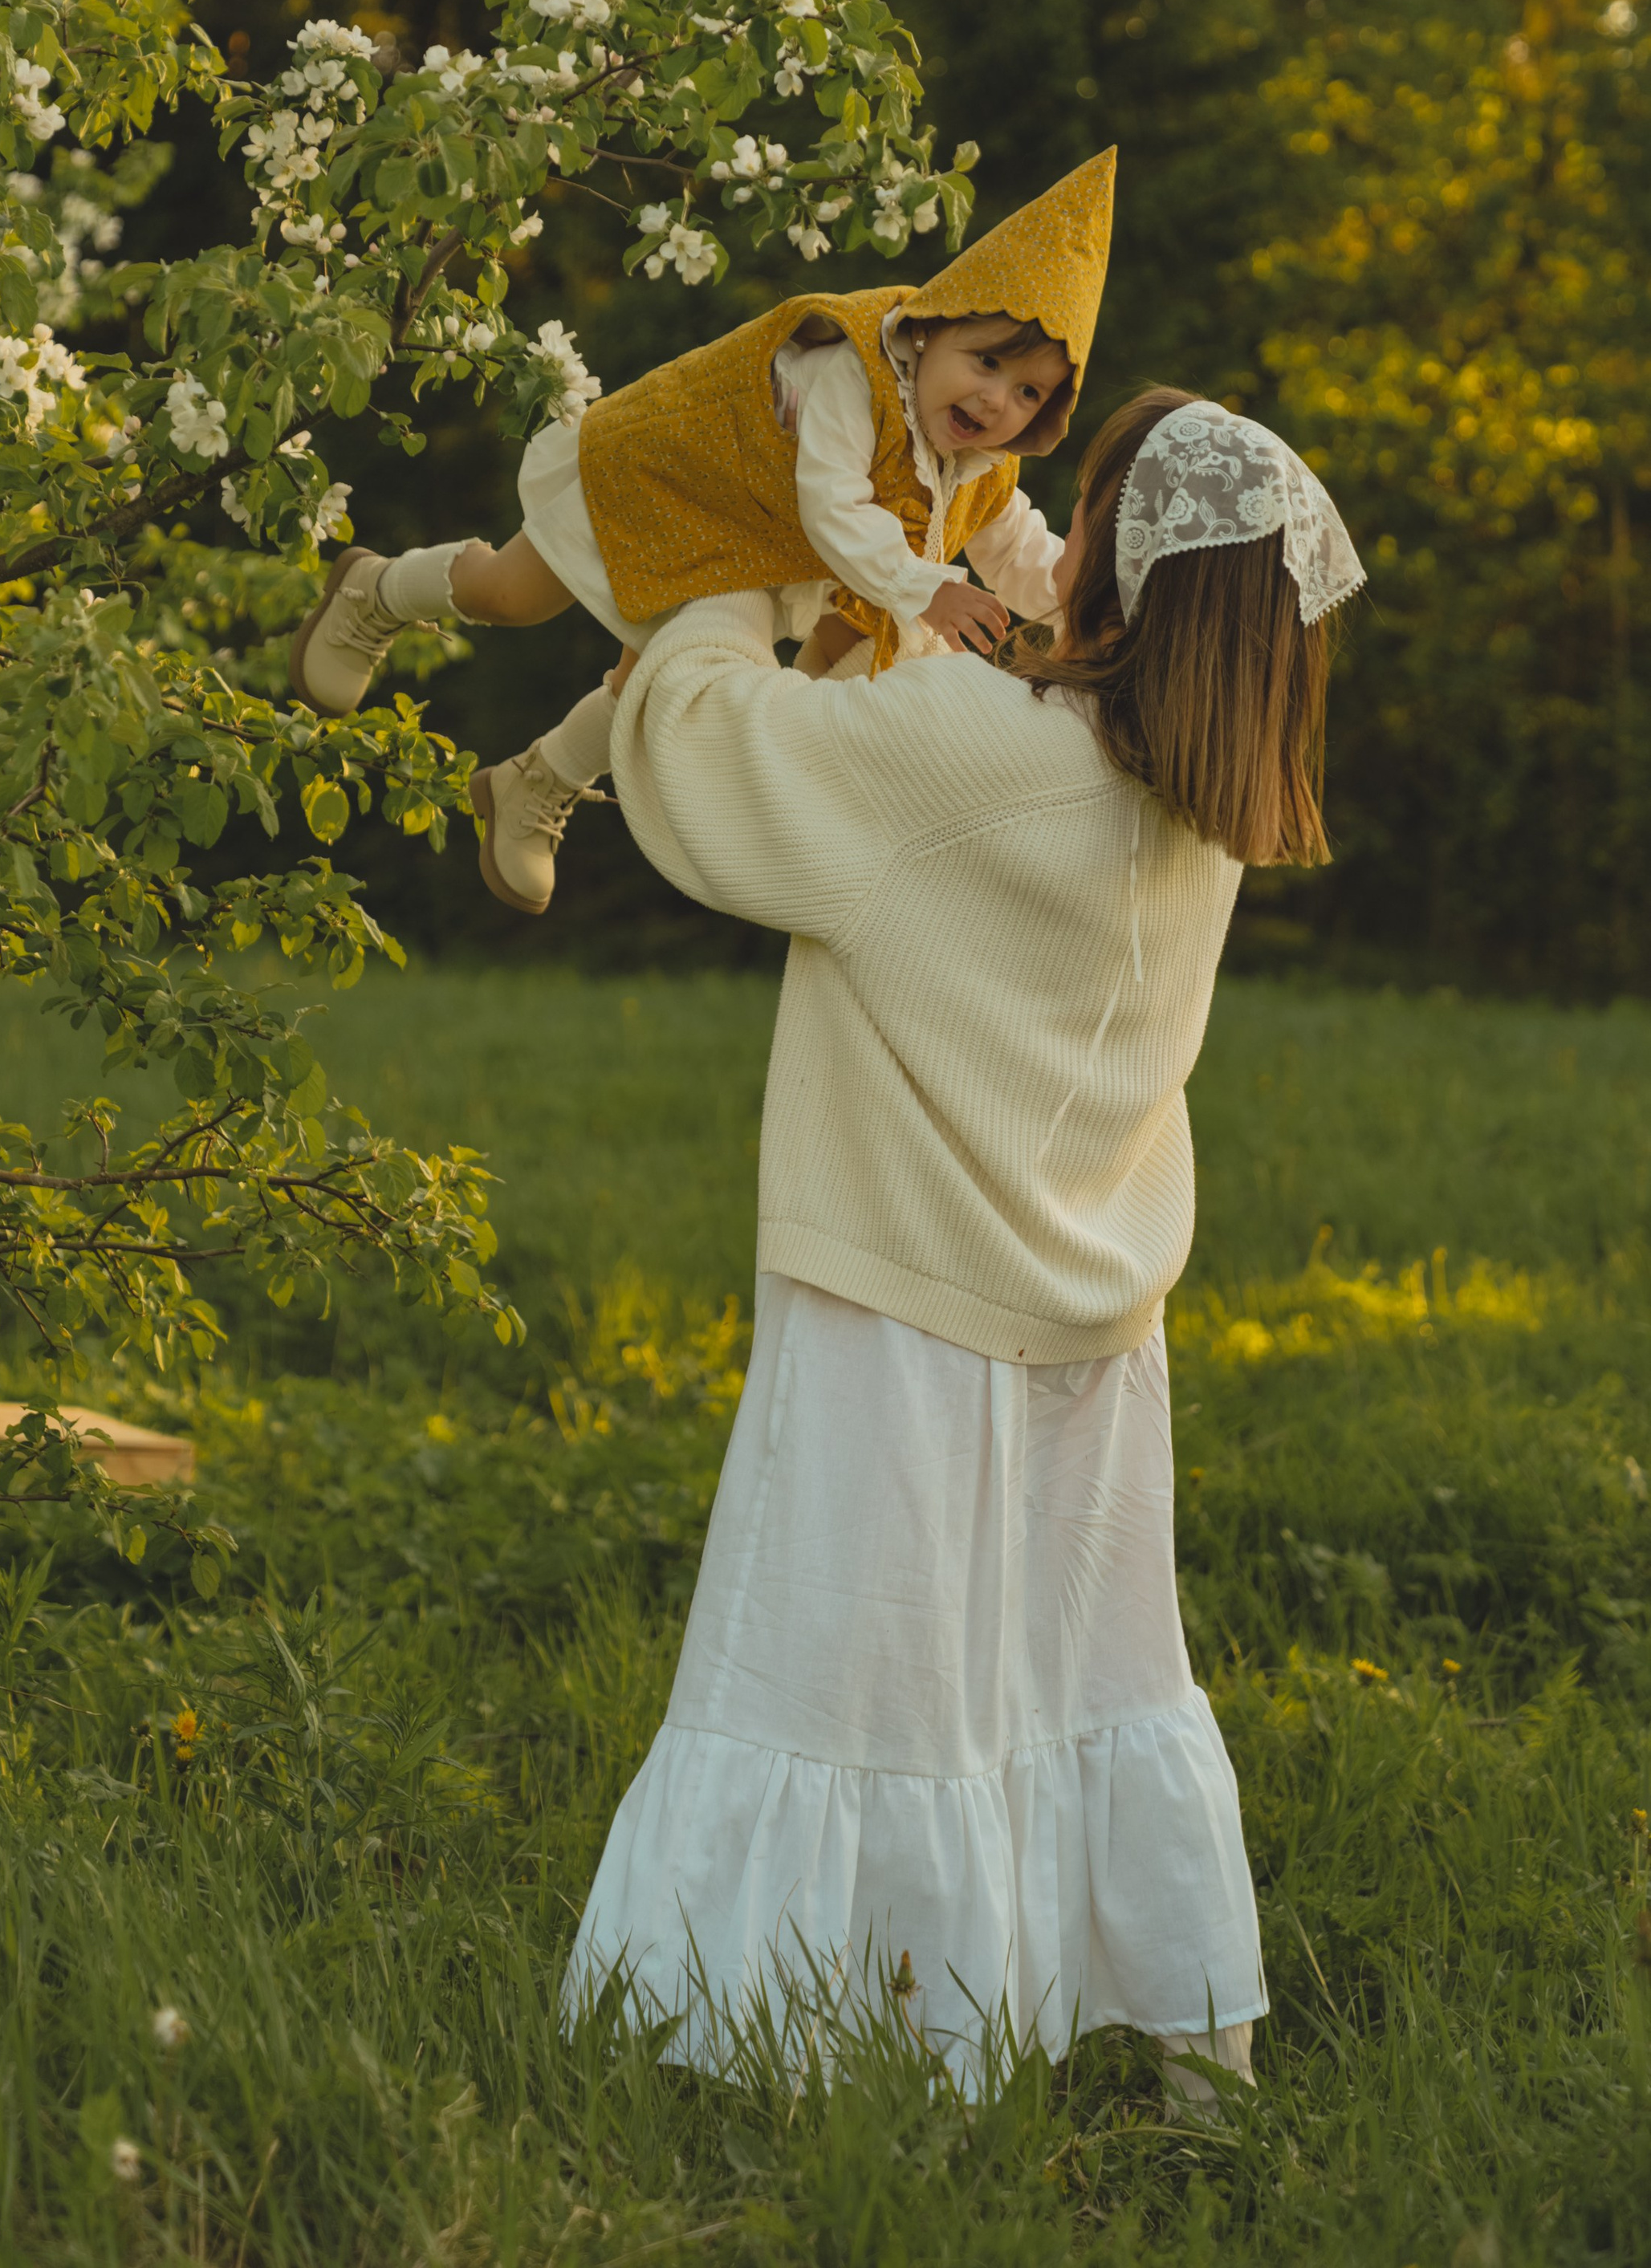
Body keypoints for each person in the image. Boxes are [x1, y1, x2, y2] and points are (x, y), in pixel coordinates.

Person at [563, 388, 1366, 2105]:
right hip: (1093, 1316)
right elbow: (985, 764)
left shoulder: (976, 755)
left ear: (1122, 563)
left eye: (1085, 509)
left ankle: (848, 2059)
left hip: (902, 1296)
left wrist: (739, 562)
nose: (1050, 531)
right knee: (1079, 1681)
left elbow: (700, 757)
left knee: (852, 1690)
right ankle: (1162, 2043)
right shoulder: (1202, 803)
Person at [290, 152, 1116, 912]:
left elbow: (1018, 551)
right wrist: (921, 586)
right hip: (670, 478)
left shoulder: (978, 468)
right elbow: (832, 505)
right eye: (987, 362)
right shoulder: (854, 369)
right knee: (510, 594)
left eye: (1029, 393)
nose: (997, 401)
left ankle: (535, 782)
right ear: (931, 327)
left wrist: (1092, 600)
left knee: (649, 682)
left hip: (746, 547)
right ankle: (377, 591)